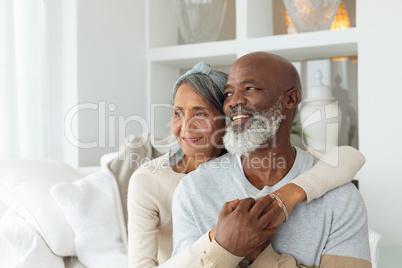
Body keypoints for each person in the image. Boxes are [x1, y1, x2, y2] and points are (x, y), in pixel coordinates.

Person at [128, 61, 366, 267]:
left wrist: (290, 194)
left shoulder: (247, 156)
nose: (186, 126)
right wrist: (221, 238)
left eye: (200, 114)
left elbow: (347, 158)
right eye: (178, 113)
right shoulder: (157, 181)